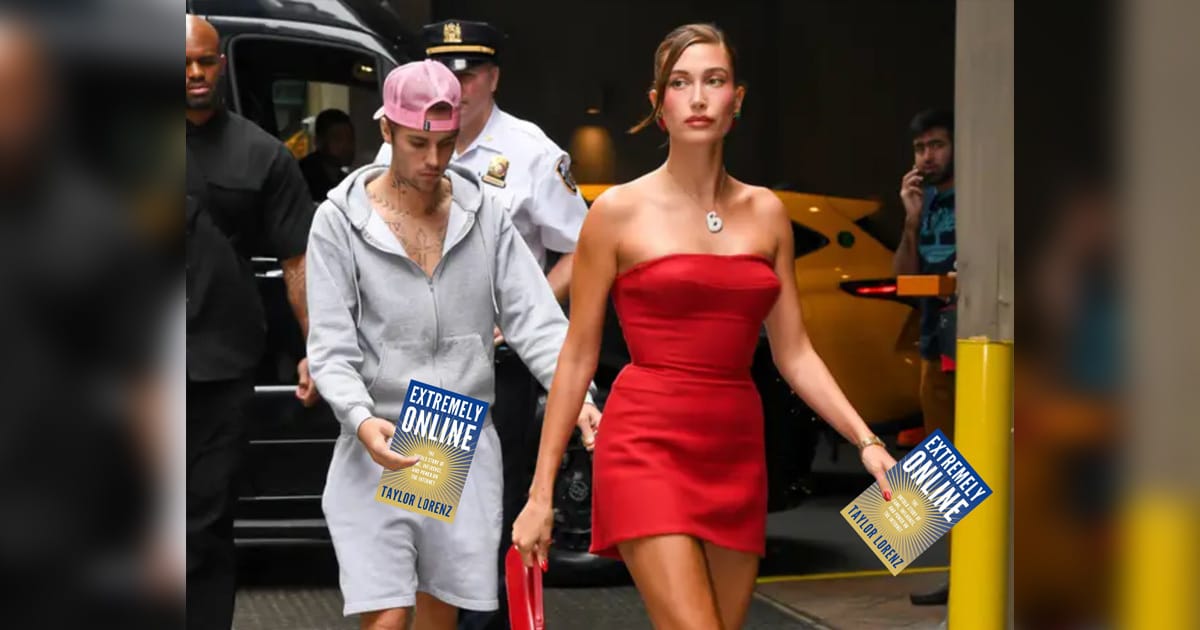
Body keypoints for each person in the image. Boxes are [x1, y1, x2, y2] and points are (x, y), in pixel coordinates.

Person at [511, 23, 896, 629]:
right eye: (680, 83)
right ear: (657, 103)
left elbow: (795, 352)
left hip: (736, 448)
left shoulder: (767, 213)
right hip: (644, 444)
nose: (697, 98)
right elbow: (577, 356)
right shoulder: (615, 212)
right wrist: (541, 495)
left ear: (736, 99)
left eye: (713, 81)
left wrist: (867, 441)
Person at [305, 59, 600, 630]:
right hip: (378, 430)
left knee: (440, 611)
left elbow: (535, 319)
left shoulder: (482, 212)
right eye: (418, 143)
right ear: (386, 130)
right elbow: (331, 348)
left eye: (446, 142)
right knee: (388, 614)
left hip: (448, 426)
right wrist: (360, 419)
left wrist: (579, 395)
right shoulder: (340, 220)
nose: (434, 159)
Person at [185, 15, 319, 630]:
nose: (195, 73)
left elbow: (298, 262)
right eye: (184, 62)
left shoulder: (263, 154)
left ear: (221, 65)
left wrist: (317, 346)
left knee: (206, 518)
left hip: (222, 363)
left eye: (205, 61)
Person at [892, 108, 955, 607]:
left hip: (976, 347)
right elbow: (904, 278)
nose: (927, 157)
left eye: (936, 145)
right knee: (945, 465)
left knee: (979, 462)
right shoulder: (926, 201)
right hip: (936, 346)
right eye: (920, 148)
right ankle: (962, 573)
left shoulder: (980, 195)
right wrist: (911, 220)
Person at [300, 108, 357, 201]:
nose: (346, 145)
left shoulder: (346, 181)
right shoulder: (302, 177)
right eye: (338, 139)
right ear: (318, 141)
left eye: (350, 138)